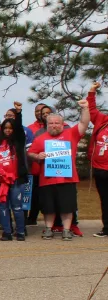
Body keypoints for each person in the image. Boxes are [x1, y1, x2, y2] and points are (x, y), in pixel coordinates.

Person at [27, 99, 90, 241]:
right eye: (51, 123)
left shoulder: (71, 134)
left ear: (62, 124)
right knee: (48, 207)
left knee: (67, 206)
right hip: (47, 180)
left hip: (67, 178)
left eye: (57, 123)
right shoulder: (40, 138)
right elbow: (30, 153)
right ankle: (49, 229)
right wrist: (37, 156)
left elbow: (84, 123)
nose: (54, 125)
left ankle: (66, 230)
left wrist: (85, 108)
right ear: (47, 125)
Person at [0, 109, 29, 241]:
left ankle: (20, 232)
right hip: (0, 181)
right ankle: (7, 232)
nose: (8, 131)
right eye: (5, 128)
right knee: (3, 207)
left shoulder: (18, 142)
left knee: (17, 207)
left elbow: (20, 130)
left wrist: (19, 113)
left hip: (16, 180)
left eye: (10, 128)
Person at [86, 82, 108, 238]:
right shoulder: (102, 120)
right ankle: (106, 228)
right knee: (105, 200)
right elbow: (91, 110)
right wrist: (92, 91)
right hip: (100, 168)